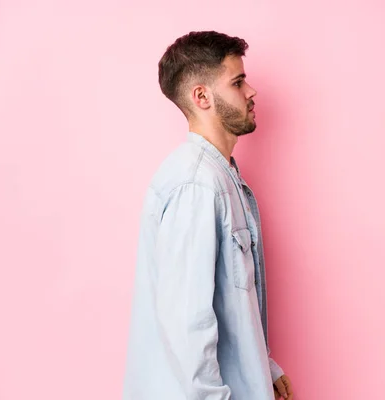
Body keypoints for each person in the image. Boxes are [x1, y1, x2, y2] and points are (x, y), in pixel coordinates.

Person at [122, 31, 294, 400]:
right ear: (202, 96)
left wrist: (264, 367)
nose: (251, 92)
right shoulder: (197, 185)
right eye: (237, 81)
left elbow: (232, 300)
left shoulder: (220, 176)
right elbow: (187, 324)